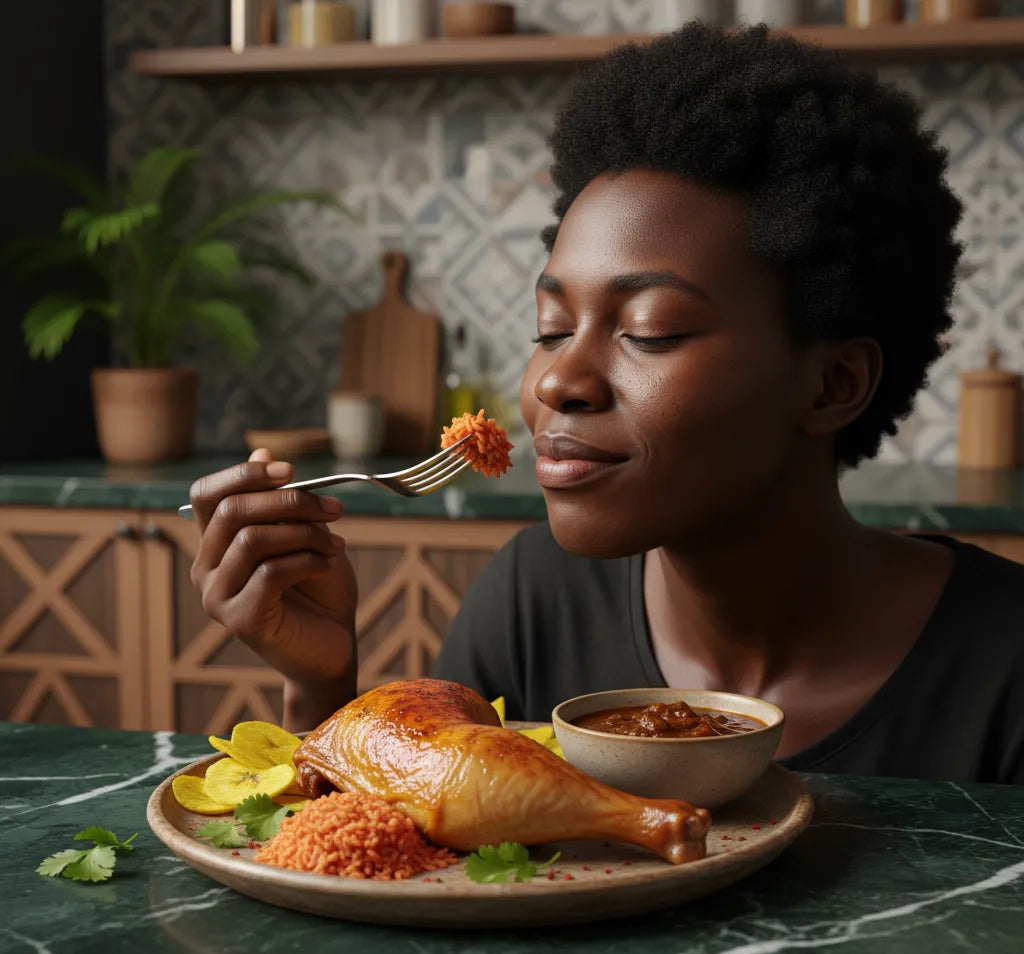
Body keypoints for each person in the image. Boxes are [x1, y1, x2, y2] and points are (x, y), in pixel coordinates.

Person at [187, 24, 1024, 785]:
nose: (557, 382)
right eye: (551, 328)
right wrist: (319, 682)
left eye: (650, 331)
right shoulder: (530, 602)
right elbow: (411, 876)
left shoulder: (1005, 663)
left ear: (832, 384)